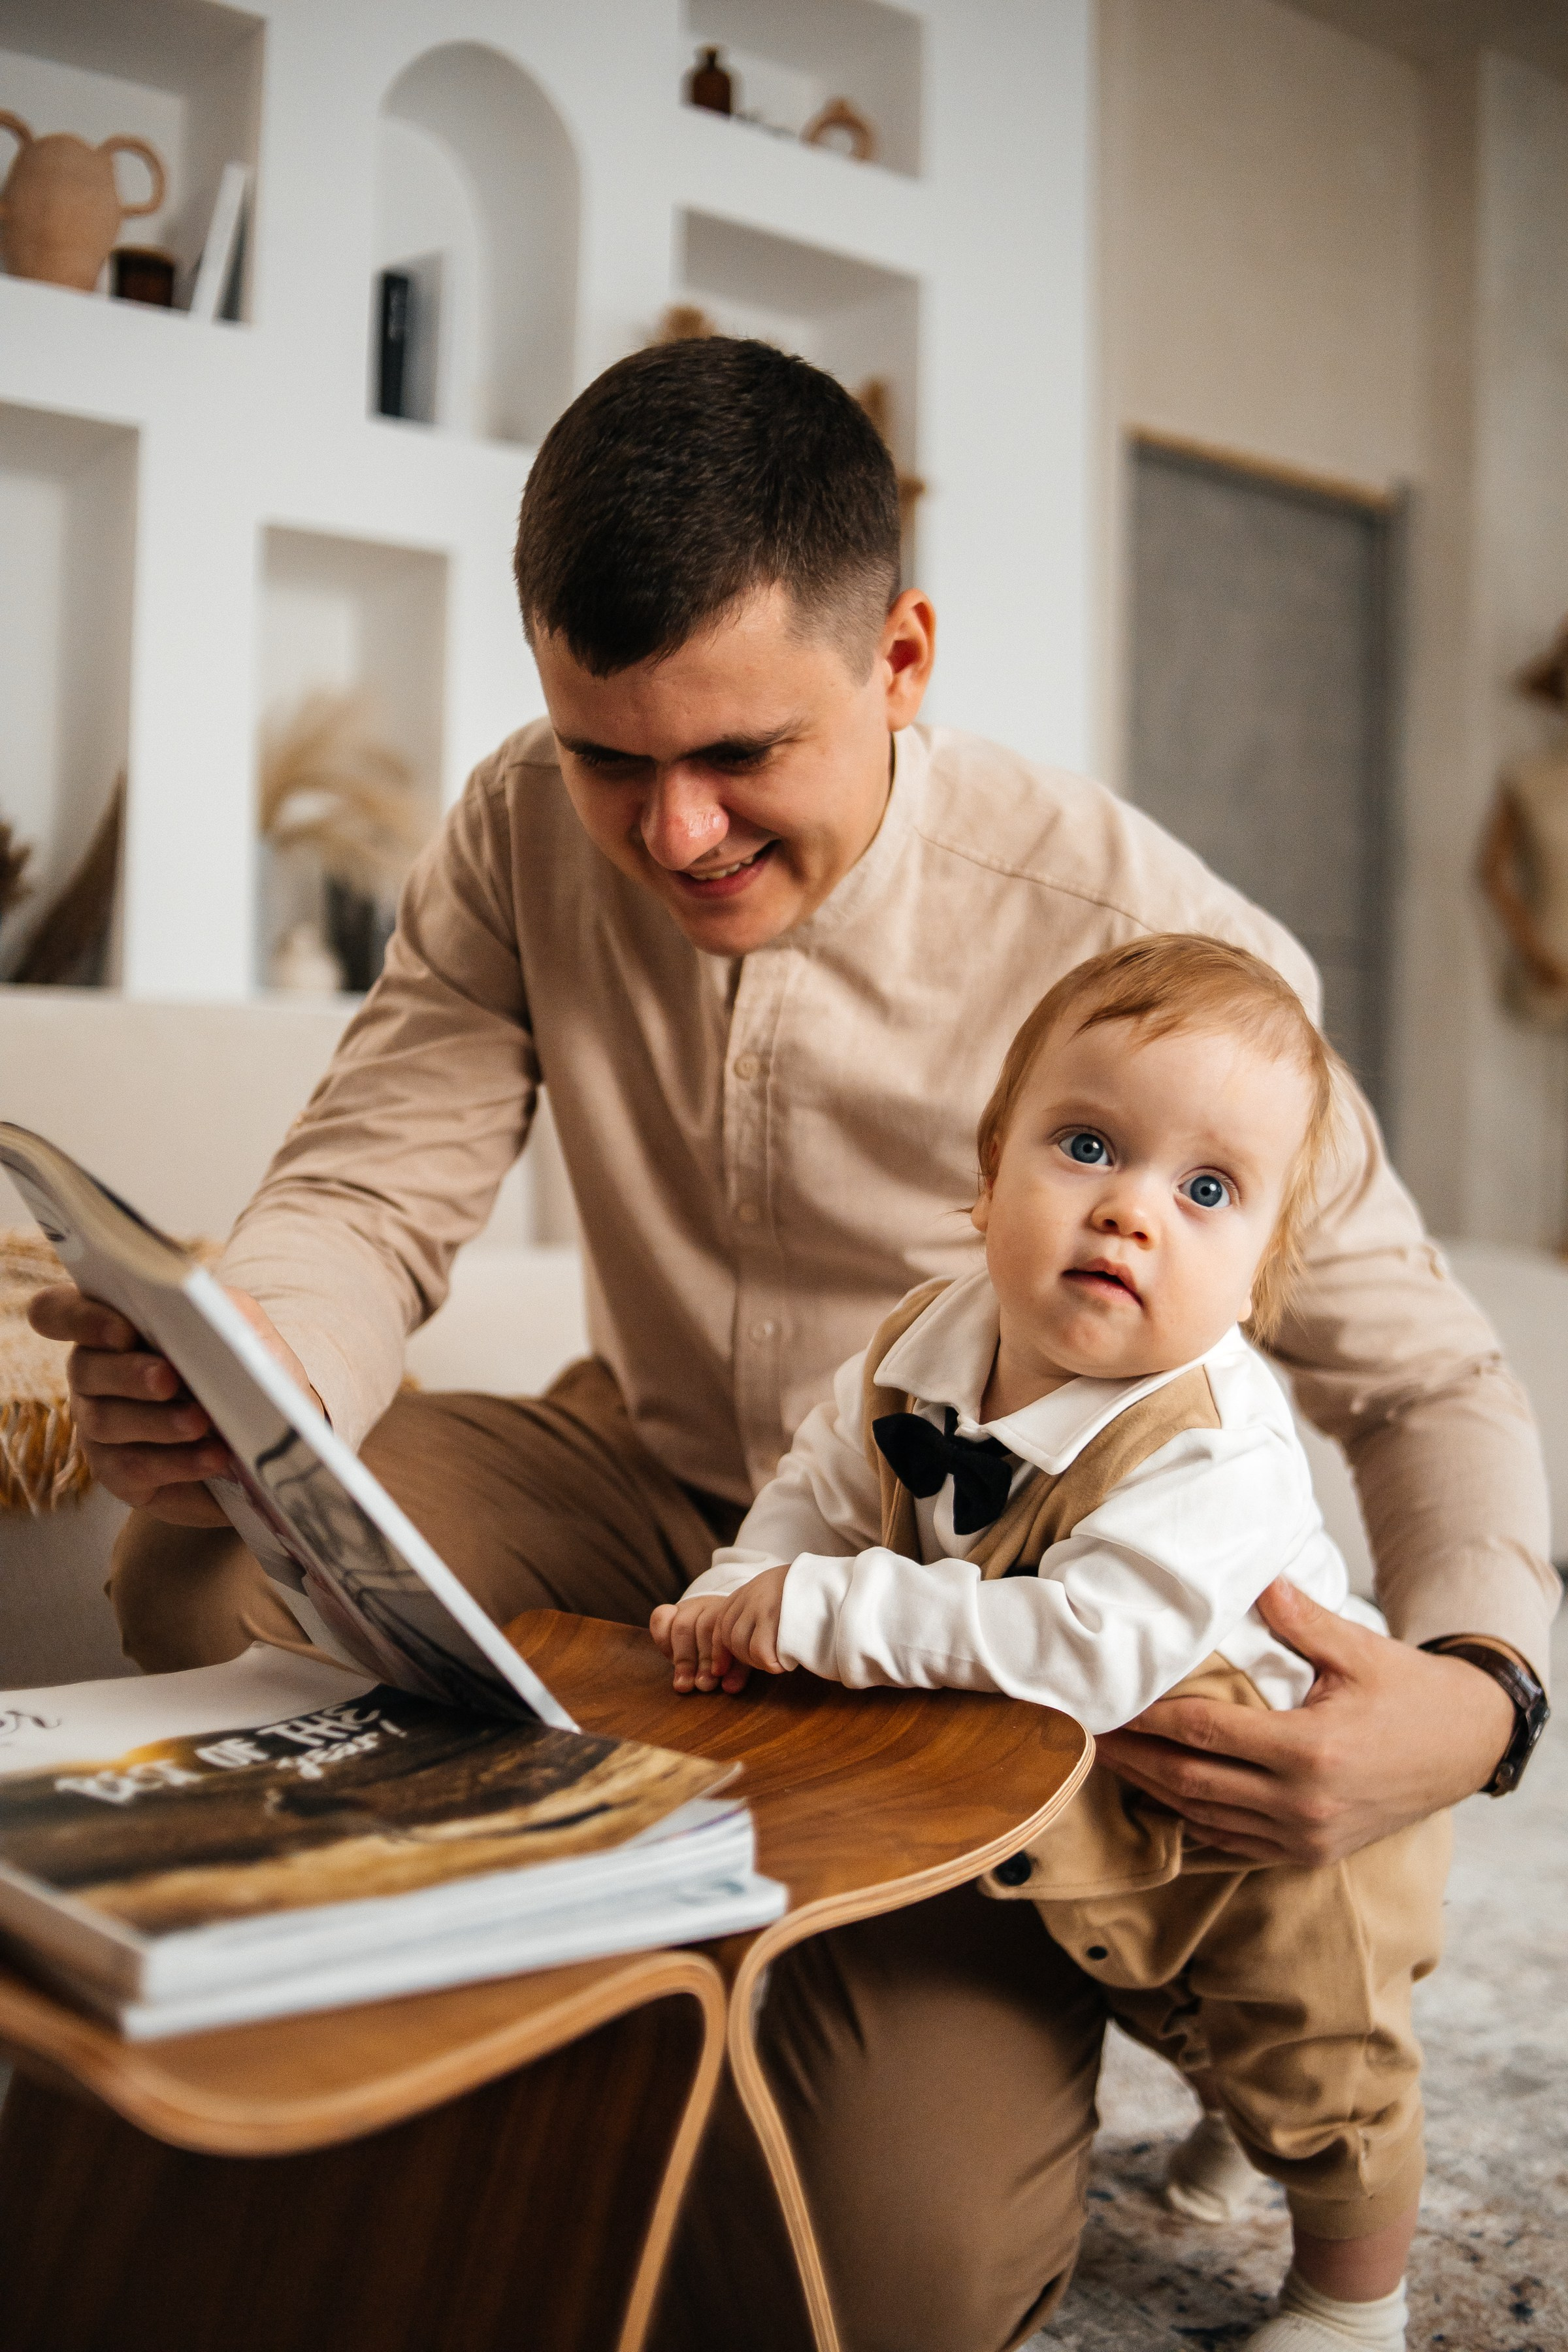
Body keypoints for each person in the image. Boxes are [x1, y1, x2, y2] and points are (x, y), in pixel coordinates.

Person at [31, 338, 1555, 2352]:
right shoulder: (515, 828)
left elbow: (1424, 1373)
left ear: (902, 657)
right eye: (610, 755)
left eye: (742, 754)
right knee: (210, 1547)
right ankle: (454, 1960)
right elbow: (369, 1191)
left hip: (969, 1626)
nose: (669, 834)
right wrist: (252, 1369)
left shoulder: (1164, 957)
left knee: (885, 2283)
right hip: (649, 1485)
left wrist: (1484, 1700)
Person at [653, 933, 1447, 2352]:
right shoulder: (922, 1342)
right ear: (988, 1172)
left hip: (1265, 1825)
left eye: (1207, 1192)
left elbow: (1088, 1646)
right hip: (1086, 1796)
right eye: (1088, 1145)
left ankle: (1352, 2290)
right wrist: (744, 1586)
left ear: (1261, 1274)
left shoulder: (1220, 1449)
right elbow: (823, 1488)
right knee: (1137, 1994)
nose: (1130, 1212)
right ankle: (1217, 2115)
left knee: (1315, 2058)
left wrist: (832, 1611)